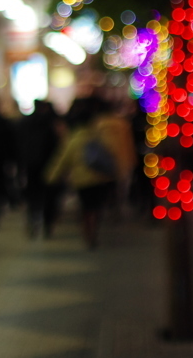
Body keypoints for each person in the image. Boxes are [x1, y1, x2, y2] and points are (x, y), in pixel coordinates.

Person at [45, 98, 119, 248]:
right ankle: (93, 232)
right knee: (96, 207)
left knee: (86, 208)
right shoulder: (98, 137)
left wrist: (52, 176)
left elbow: (63, 160)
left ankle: (88, 234)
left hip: (81, 181)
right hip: (99, 179)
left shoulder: (73, 140)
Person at [17, 100, 61, 238]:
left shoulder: (24, 123)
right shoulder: (52, 124)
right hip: (49, 166)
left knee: (33, 197)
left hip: (31, 166)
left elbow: (19, 146)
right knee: (49, 197)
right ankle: (47, 226)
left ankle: (33, 222)